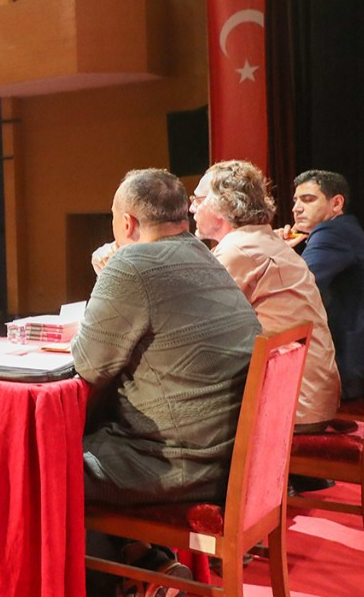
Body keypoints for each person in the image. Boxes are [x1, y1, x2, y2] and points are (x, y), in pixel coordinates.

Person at [75, 169, 259, 521]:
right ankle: (144, 558)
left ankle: (85, 575)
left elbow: (89, 365)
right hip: (232, 458)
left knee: (35, 465)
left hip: (176, 466)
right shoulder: (206, 255)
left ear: (127, 223)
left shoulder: (130, 264)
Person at [190, 160, 340, 431]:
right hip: (311, 396)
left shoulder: (238, 249)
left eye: (198, 199)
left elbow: (194, 324)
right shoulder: (262, 240)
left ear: (221, 205)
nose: (191, 208)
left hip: (294, 405)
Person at [280, 169, 364, 401]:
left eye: (308, 199)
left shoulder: (331, 233)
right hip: (363, 355)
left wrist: (275, 250)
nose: (296, 208)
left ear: (337, 202)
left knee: (255, 385)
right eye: (295, 200)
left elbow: (298, 288)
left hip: (348, 367)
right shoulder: (345, 229)